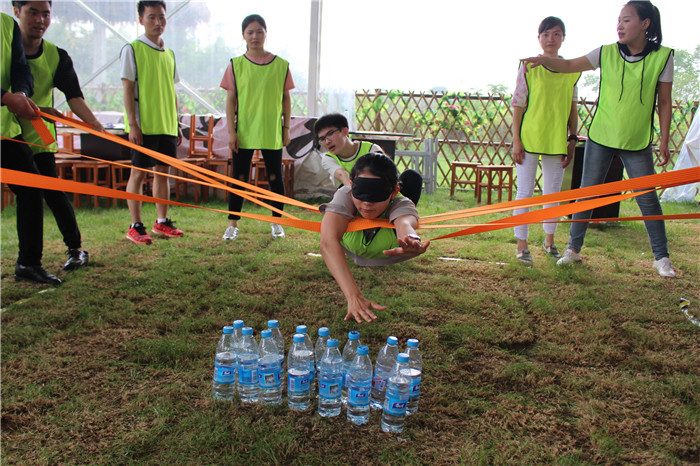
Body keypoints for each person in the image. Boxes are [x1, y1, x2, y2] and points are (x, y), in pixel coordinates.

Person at [520, 0, 676, 277]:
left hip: (637, 140)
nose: (619, 25)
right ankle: (573, 250)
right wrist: (544, 60)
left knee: (648, 199)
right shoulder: (606, 53)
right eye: (618, 20)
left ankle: (661, 258)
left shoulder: (663, 57)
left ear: (645, 24)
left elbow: (664, 101)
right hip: (602, 136)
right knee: (586, 195)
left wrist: (663, 140)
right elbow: (568, 65)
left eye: (626, 20)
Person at [14, 0, 104, 271]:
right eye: (33, 12)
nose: (40, 19)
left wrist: (96, 126)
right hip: (7, 135)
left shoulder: (56, 56)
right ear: (16, 11)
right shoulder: (5, 50)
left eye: (46, 14)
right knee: (29, 194)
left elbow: (74, 97)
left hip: (38, 137)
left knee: (51, 192)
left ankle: (75, 249)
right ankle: (29, 262)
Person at [319, 153, 430, 324]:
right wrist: (353, 296)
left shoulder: (401, 203)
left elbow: (405, 224)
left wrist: (411, 240)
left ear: (394, 191)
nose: (366, 203)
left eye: (376, 194)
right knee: (341, 199)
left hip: (389, 242)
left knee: (404, 202)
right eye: (360, 192)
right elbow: (327, 242)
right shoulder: (346, 194)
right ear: (352, 184)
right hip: (352, 242)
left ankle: (406, 187)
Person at [511, 16, 580, 263]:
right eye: (546, 34)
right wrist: (516, 140)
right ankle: (521, 245)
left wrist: (572, 139)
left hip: (557, 140)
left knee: (553, 193)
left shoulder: (572, 68)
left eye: (556, 34)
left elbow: (573, 108)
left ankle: (549, 241)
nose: (551, 39)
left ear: (563, 38)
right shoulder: (529, 66)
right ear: (539, 38)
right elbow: (518, 104)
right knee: (525, 192)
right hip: (529, 138)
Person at [220, 14, 293, 241]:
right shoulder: (236, 65)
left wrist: (286, 128)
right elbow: (231, 100)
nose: (255, 36)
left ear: (265, 33)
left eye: (259, 31)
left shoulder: (281, 65)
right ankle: (233, 225)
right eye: (250, 32)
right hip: (244, 131)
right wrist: (231, 131)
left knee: (275, 178)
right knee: (239, 178)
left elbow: (286, 99)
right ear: (243, 35)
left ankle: (277, 223)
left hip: (271, 131)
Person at [1, 11, 61, 285]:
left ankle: (28, 263)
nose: (40, 18)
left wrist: (22, 95)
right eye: (33, 12)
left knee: (31, 188)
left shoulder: (7, 25)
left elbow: (20, 68)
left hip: (6, 132)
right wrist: (5, 97)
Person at [121, 0, 184, 245]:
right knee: (138, 173)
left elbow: (171, 90)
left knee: (163, 173)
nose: (158, 22)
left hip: (166, 124)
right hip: (143, 125)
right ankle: (135, 225)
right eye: (151, 17)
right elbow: (127, 88)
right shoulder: (132, 49)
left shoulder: (170, 54)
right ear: (141, 20)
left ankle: (162, 222)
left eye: (161, 17)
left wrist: (176, 123)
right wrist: (133, 124)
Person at [315, 112, 423, 205]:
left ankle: (403, 212)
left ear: (345, 131)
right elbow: (342, 175)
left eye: (330, 134)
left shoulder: (372, 149)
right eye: (322, 139)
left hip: (382, 196)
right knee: (343, 189)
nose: (327, 141)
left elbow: (387, 178)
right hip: (356, 201)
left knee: (412, 177)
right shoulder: (328, 158)